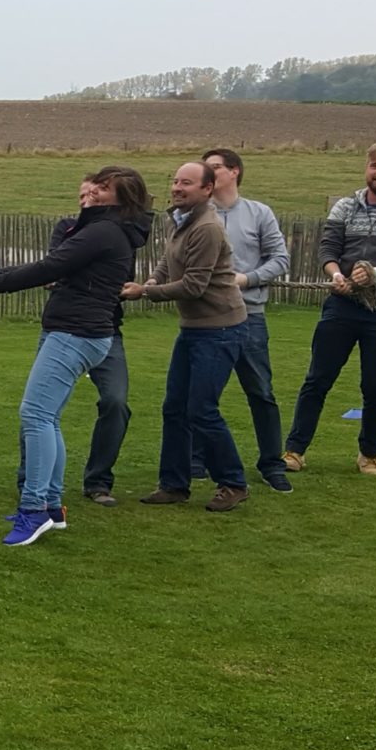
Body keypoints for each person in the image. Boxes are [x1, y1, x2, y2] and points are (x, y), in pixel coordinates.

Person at [0, 166, 153, 545]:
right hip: (73, 328)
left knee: (35, 415)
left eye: (103, 188)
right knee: (49, 417)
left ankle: (33, 510)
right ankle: (53, 506)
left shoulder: (104, 231)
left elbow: (49, 267)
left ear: (121, 197)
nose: (93, 192)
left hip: (77, 332)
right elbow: (56, 266)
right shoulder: (104, 228)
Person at [285, 141, 376, 476]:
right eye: (375, 165)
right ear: (366, 167)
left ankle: (369, 455)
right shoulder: (345, 207)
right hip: (341, 308)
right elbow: (327, 250)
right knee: (317, 380)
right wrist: (336, 275)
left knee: (375, 387)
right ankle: (295, 451)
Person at [123, 161, 251, 512]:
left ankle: (233, 483)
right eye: (176, 181)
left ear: (207, 190)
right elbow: (168, 262)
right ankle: (174, 484)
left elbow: (194, 285)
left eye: (187, 183)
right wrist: (153, 280)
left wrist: (145, 293)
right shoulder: (179, 220)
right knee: (175, 408)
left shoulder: (207, 228)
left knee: (202, 409)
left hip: (221, 329)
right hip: (194, 329)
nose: (177, 188)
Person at [198, 148, 295, 492]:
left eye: (215, 167)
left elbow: (280, 259)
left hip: (249, 316)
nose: (208, 173)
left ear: (234, 171)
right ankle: (196, 460)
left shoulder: (259, 213)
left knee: (261, 392)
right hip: (206, 318)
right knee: (201, 393)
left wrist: (248, 279)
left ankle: (272, 464)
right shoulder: (196, 215)